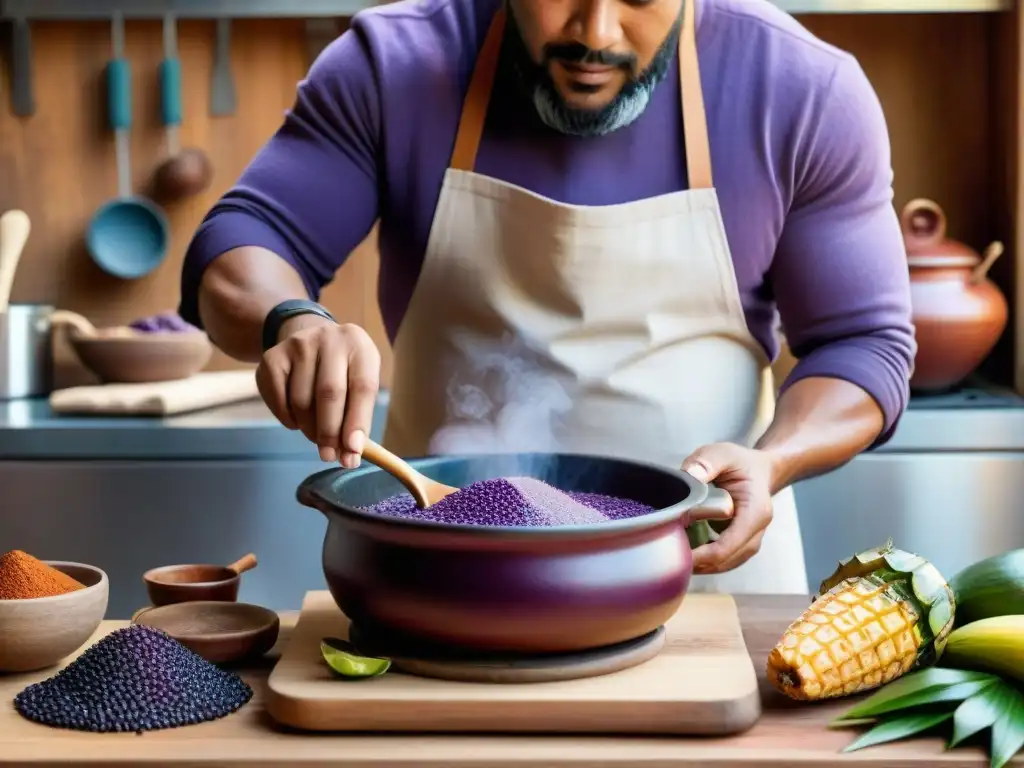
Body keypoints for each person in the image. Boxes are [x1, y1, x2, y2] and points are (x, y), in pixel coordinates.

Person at [179, 0, 915, 595]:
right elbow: (243, 242)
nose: (595, 32)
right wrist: (291, 321)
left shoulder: (802, 91)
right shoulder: (393, 67)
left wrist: (776, 460)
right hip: (442, 575)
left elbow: (864, 345)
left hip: (706, 576)